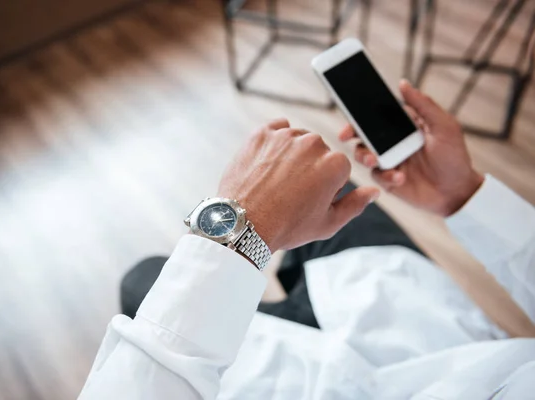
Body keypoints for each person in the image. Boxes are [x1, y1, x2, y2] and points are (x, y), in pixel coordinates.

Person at [78, 81, 535, 399]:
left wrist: (238, 233)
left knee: (143, 281)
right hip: (432, 336)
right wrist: (462, 194)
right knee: (339, 190)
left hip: (282, 384)